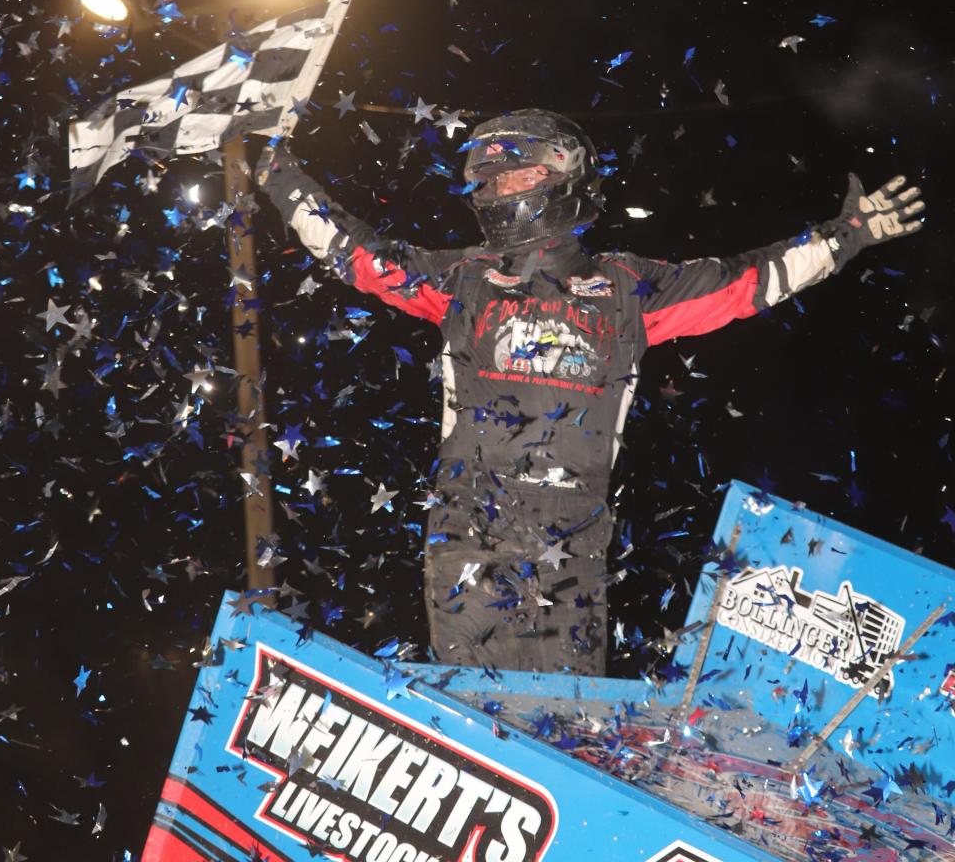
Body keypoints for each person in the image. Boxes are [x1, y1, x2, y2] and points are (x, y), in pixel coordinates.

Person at [256, 110, 924, 676]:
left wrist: (848, 234)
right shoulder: (462, 278)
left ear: (563, 180)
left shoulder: (626, 288)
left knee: (562, 724)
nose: (503, 189)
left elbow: (744, 283)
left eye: (520, 176)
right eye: (493, 179)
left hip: (571, 541)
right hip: (470, 531)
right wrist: (275, 172)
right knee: (473, 717)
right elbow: (356, 253)